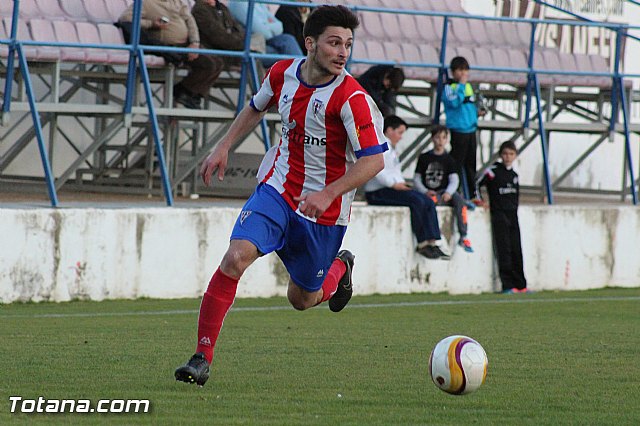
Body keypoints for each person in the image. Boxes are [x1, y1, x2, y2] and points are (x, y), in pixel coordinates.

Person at [175, 5, 387, 386]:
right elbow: (255, 108)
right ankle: (201, 357)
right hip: (278, 190)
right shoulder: (281, 73)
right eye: (334, 42)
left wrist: (328, 192)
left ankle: (340, 268)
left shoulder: (352, 99)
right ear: (310, 43)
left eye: (348, 45)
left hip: (323, 213)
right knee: (235, 258)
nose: (342, 52)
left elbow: (374, 162)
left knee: (302, 298)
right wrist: (223, 146)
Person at [364, 116, 448, 260]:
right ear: (389, 130)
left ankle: (433, 241)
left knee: (426, 200)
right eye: (399, 132)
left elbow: (394, 171)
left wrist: (402, 184)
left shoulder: (390, 148)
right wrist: (394, 184)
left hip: (391, 188)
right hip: (378, 191)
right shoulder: (379, 145)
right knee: (417, 201)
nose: (401, 137)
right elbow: (377, 169)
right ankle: (422, 242)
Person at [118, 0, 224, 110]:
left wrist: (194, 42)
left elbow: (190, 21)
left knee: (218, 62)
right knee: (207, 64)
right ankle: (183, 92)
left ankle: (189, 93)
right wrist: (151, 24)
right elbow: (126, 19)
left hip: (186, 44)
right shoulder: (145, 3)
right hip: (168, 46)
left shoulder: (177, 2)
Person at [476, 141, 528, 293]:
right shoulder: (492, 172)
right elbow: (477, 183)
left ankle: (521, 285)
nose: (508, 157)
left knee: (516, 249)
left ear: (515, 156)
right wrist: (480, 200)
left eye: (511, 154)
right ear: (500, 155)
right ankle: (507, 285)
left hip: (513, 214)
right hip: (499, 214)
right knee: (504, 249)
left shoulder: (514, 176)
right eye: (505, 154)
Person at [414, 125, 473, 253]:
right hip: (429, 193)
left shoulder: (450, 160)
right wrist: (424, 191)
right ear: (432, 139)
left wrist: (448, 192)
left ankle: (463, 235)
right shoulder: (424, 158)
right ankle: (432, 238)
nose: (440, 141)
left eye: (443, 138)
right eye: (437, 137)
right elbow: (417, 179)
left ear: (447, 140)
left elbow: (454, 180)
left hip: (444, 193)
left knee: (460, 202)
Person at [442, 56, 486, 199]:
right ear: (453, 72)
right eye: (460, 70)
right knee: (456, 163)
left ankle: (473, 193)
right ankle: (454, 189)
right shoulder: (449, 88)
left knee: (470, 164)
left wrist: (476, 113)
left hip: (471, 129)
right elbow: (454, 103)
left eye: (465, 70)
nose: (463, 73)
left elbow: (469, 104)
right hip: (458, 130)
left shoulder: (468, 87)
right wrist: (460, 86)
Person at [190, 0, 266, 69]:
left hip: (234, 47)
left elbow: (238, 29)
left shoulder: (222, 8)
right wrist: (243, 43)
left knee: (257, 45)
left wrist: (241, 41)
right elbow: (219, 38)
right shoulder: (200, 10)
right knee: (252, 56)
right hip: (217, 51)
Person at [228, 0, 304, 68]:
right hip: (252, 45)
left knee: (287, 40)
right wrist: (268, 25)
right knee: (287, 52)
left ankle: (303, 76)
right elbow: (262, 32)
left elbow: (280, 26)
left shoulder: (259, 2)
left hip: (265, 43)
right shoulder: (239, 3)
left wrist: (266, 27)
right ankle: (305, 76)